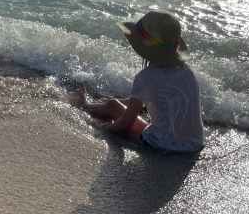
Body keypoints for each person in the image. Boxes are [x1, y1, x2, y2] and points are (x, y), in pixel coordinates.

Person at [70, 11, 205, 153]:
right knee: (115, 103)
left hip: (163, 145)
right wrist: (125, 101)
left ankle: (84, 106)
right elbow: (162, 98)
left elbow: (125, 123)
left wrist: (101, 128)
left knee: (113, 106)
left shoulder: (146, 77)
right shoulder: (187, 72)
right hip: (195, 144)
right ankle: (93, 104)